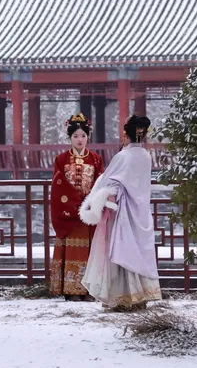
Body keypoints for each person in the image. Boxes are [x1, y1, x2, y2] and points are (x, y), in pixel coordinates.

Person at [78, 114, 162, 310]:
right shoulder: (145, 156)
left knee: (119, 252)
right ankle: (140, 296)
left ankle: (120, 297)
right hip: (139, 210)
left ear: (126, 135)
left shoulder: (122, 156)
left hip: (121, 212)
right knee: (136, 251)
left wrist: (101, 195)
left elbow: (108, 181)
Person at [48, 113, 104, 300]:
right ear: (69, 137)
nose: (80, 140)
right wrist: (74, 202)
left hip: (89, 212)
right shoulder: (61, 159)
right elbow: (58, 185)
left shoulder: (96, 159)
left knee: (90, 250)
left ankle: (89, 290)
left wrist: (91, 202)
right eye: (75, 136)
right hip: (69, 213)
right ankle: (71, 290)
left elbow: (101, 182)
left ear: (88, 137)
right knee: (72, 248)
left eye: (83, 136)